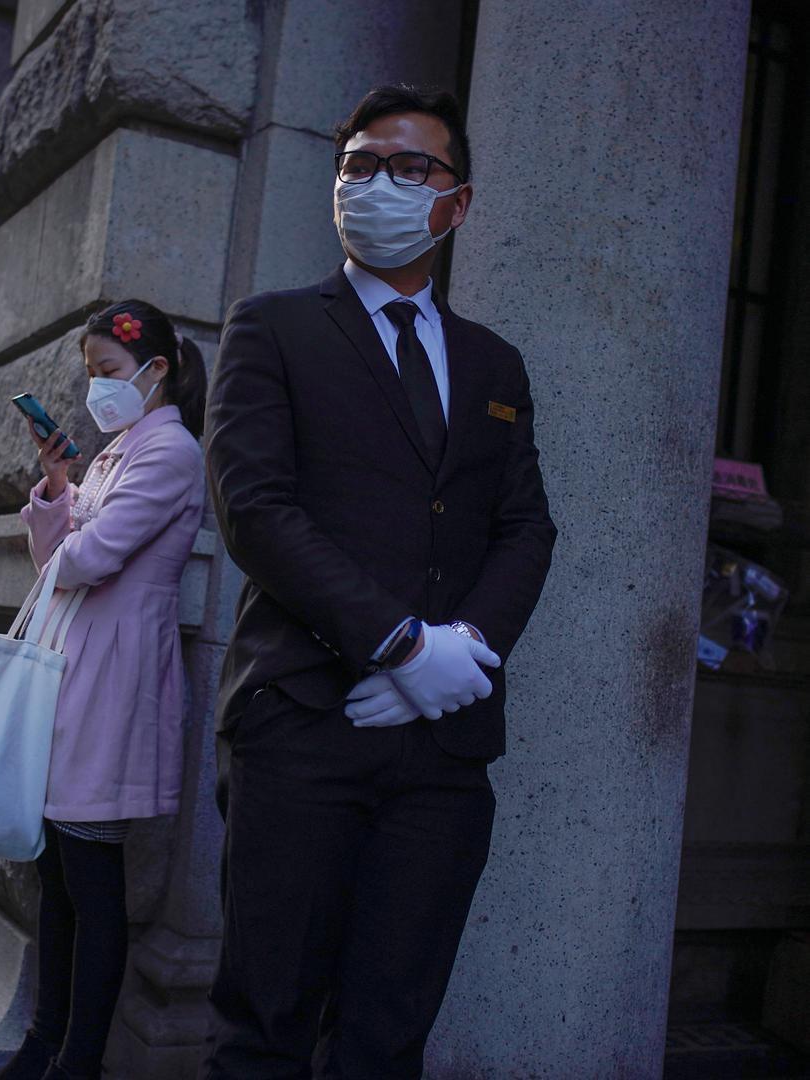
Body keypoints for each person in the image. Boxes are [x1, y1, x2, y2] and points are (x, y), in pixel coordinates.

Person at [202, 86, 557, 1078]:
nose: (376, 184)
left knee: (387, 1036)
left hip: (443, 748)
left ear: (458, 202)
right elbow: (256, 510)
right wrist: (400, 645)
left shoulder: (494, 363)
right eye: (359, 165)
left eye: (409, 168)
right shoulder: (272, 327)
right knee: (264, 1027)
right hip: (304, 723)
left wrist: (461, 652)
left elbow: (526, 526)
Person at [0, 300, 209, 1080]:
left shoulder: (171, 451)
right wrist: (59, 485)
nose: (97, 387)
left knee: (90, 877)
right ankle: (44, 1041)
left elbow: (89, 559)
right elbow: (55, 558)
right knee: (56, 874)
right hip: (73, 663)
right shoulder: (119, 452)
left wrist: (75, 530)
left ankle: (77, 1060)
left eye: (108, 370)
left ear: (156, 370)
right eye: (90, 372)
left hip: (115, 677)